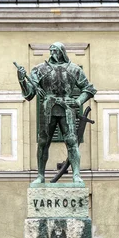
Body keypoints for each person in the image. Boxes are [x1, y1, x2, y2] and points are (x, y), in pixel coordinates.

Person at [16, 42, 96, 184]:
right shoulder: (40, 69)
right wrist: (21, 79)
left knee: (72, 142)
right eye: (51, 50)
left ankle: (76, 175)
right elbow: (29, 94)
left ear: (62, 52)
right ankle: (40, 176)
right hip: (47, 108)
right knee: (43, 142)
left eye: (55, 51)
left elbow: (89, 89)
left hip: (67, 108)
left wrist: (78, 102)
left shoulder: (74, 69)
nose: (52, 53)